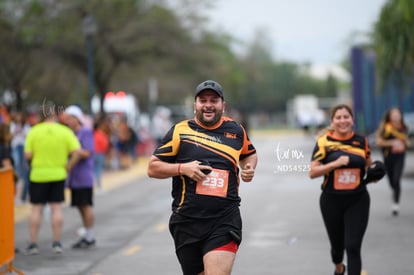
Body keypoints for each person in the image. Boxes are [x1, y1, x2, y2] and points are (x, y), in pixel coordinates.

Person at [147, 80, 258, 275]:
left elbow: (249, 153)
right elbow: (152, 168)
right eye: (203, 100)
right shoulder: (180, 131)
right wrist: (182, 168)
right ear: (195, 105)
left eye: (214, 100)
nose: (208, 105)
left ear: (222, 105)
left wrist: (249, 167)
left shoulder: (236, 130)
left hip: (225, 218)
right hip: (187, 221)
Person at [309, 104, 376, 275]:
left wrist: (376, 171)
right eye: (338, 117)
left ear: (352, 120)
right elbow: (313, 172)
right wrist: (335, 164)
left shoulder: (362, 142)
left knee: (353, 246)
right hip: (331, 201)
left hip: (358, 199)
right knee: (337, 248)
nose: (343, 120)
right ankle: (339, 267)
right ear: (333, 121)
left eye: (346, 117)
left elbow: (369, 166)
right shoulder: (324, 142)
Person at [24, 110, 81, 255]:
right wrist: (69, 166)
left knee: (36, 209)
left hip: (38, 174)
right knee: (56, 208)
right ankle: (56, 242)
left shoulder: (34, 131)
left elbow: (28, 154)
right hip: (58, 174)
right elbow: (77, 152)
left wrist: (32, 163)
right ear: (54, 116)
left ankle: (33, 243)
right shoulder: (64, 131)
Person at [64, 105, 96, 248]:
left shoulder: (85, 132)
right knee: (79, 206)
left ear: (77, 118)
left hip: (84, 176)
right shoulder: (70, 133)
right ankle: (86, 233)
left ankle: (90, 236)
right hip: (74, 177)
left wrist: (73, 152)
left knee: (85, 205)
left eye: (70, 118)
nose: (68, 121)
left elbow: (87, 152)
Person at [375, 107, 409, 216]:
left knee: (396, 178)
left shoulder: (404, 128)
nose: (395, 116)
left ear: (400, 116)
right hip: (388, 157)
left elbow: (407, 142)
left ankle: (396, 204)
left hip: (400, 157)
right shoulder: (385, 128)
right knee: (391, 181)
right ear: (389, 116)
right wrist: (392, 143)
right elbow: (378, 142)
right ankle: (395, 191)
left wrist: (405, 144)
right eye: (393, 114)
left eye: (397, 114)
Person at [9, 111, 31, 203]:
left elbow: (28, 136)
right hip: (15, 146)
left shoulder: (26, 126)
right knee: (17, 165)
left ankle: (23, 196)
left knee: (24, 169)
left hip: (23, 147)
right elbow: (10, 136)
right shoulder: (12, 125)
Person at [93, 115, 110, 190]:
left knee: (93, 170)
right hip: (100, 153)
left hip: (93, 153)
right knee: (98, 170)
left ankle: (93, 184)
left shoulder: (92, 134)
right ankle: (99, 186)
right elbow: (105, 144)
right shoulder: (102, 134)